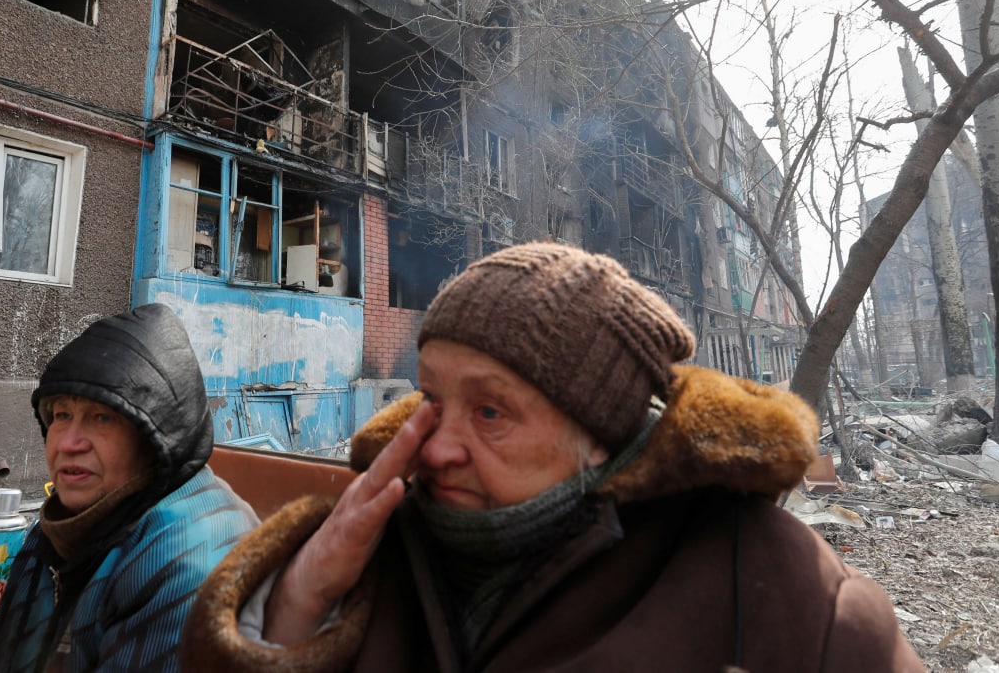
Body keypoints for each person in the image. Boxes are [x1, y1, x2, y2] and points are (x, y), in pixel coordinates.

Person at [186, 241, 925, 672]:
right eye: (432, 399)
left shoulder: (777, 590)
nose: (436, 444)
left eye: (490, 410)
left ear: (600, 431)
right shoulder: (373, 557)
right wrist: (301, 596)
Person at [0, 303, 257, 672]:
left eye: (102, 417)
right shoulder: (64, 527)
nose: (68, 443)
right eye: (62, 415)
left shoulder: (190, 560)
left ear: (157, 436)